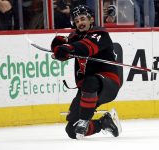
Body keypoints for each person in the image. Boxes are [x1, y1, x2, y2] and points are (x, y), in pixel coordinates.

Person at [50, 5, 122, 139]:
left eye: (83, 19)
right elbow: (64, 46)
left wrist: (68, 48)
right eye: (76, 21)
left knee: (90, 81)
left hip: (108, 83)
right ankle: (103, 123)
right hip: (87, 90)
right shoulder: (75, 37)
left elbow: (85, 47)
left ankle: (84, 120)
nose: (80, 23)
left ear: (91, 19)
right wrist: (59, 47)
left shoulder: (101, 34)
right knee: (72, 130)